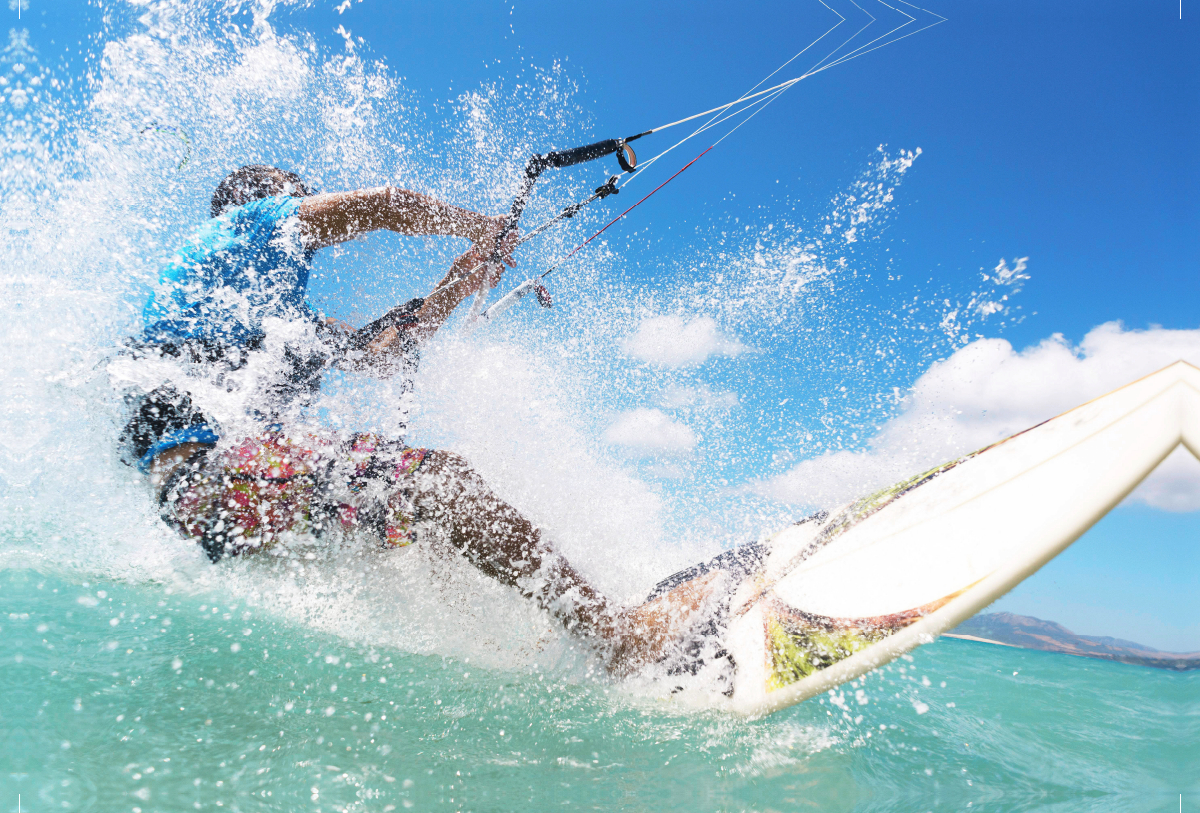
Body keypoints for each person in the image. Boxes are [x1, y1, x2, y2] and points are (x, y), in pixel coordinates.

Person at [120, 165, 704, 673]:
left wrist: (464, 274)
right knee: (439, 483)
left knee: (422, 530)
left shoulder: (281, 319)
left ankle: (532, 643)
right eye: (295, 192)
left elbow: (390, 348)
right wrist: (480, 224)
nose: (308, 202)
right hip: (208, 480)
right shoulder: (240, 229)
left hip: (243, 500)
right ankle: (620, 642)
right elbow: (381, 204)